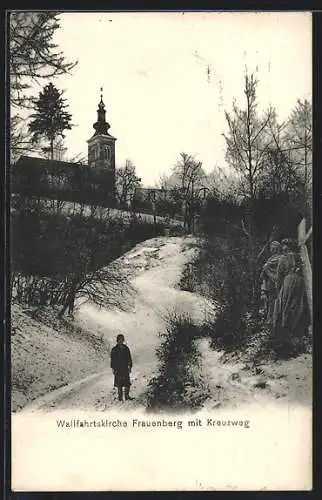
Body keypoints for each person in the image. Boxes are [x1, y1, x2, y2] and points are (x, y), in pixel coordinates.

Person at [272, 238, 310, 352]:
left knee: (285, 305)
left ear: (285, 247)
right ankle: (298, 332)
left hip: (288, 281)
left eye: (284, 247)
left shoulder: (283, 258)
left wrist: (278, 288)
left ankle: (287, 332)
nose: (283, 249)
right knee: (297, 304)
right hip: (300, 281)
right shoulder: (299, 256)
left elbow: (279, 275)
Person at [259, 241, 282, 325]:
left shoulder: (279, 258)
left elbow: (266, 267)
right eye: (271, 248)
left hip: (275, 282)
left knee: (274, 302)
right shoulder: (271, 258)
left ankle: (274, 321)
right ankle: (269, 320)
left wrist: (267, 270)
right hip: (269, 282)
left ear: (277, 249)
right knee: (269, 301)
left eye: (273, 248)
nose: (272, 250)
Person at [110, 334, 133, 402]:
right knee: (119, 384)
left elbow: (129, 358)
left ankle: (127, 396)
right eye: (119, 340)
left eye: (121, 340)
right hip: (118, 368)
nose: (120, 341)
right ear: (117, 340)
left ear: (123, 340)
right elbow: (112, 359)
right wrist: (113, 368)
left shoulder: (126, 348)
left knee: (127, 384)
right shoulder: (114, 349)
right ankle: (120, 397)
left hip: (125, 368)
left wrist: (130, 367)